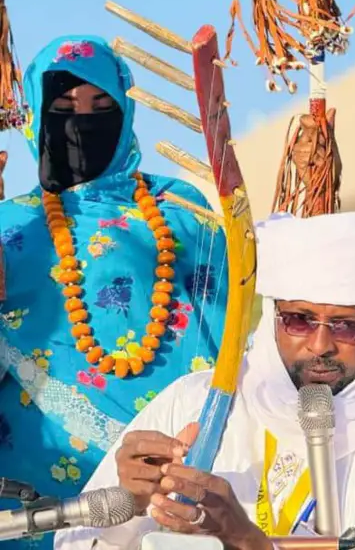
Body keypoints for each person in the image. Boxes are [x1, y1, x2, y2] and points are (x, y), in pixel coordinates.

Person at [55, 211, 355, 550]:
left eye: (348, 326)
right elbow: (73, 542)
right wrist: (130, 507)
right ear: (273, 318)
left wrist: (246, 540)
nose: (320, 345)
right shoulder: (197, 402)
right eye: (299, 320)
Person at [0, 35, 228, 547]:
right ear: (36, 116)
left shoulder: (180, 208)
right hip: (32, 492)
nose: (83, 120)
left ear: (127, 110)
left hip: (167, 471)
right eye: (63, 107)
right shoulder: (8, 224)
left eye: (103, 106)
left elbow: (226, 327)